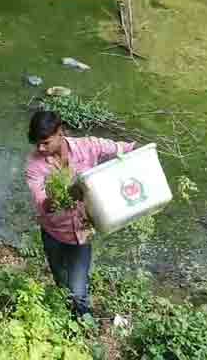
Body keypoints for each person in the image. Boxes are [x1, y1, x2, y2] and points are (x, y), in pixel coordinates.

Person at [25, 111, 135, 317]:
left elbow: (121, 148)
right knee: (61, 281)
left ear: (60, 133)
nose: (40, 148)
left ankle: (84, 323)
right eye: (37, 143)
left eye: (45, 143)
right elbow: (42, 205)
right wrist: (63, 196)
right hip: (53, 233)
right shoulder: (34, 165)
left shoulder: (88, 146)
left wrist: (138, 154)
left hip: (81, 234)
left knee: (78, 290)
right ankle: (65, 317)